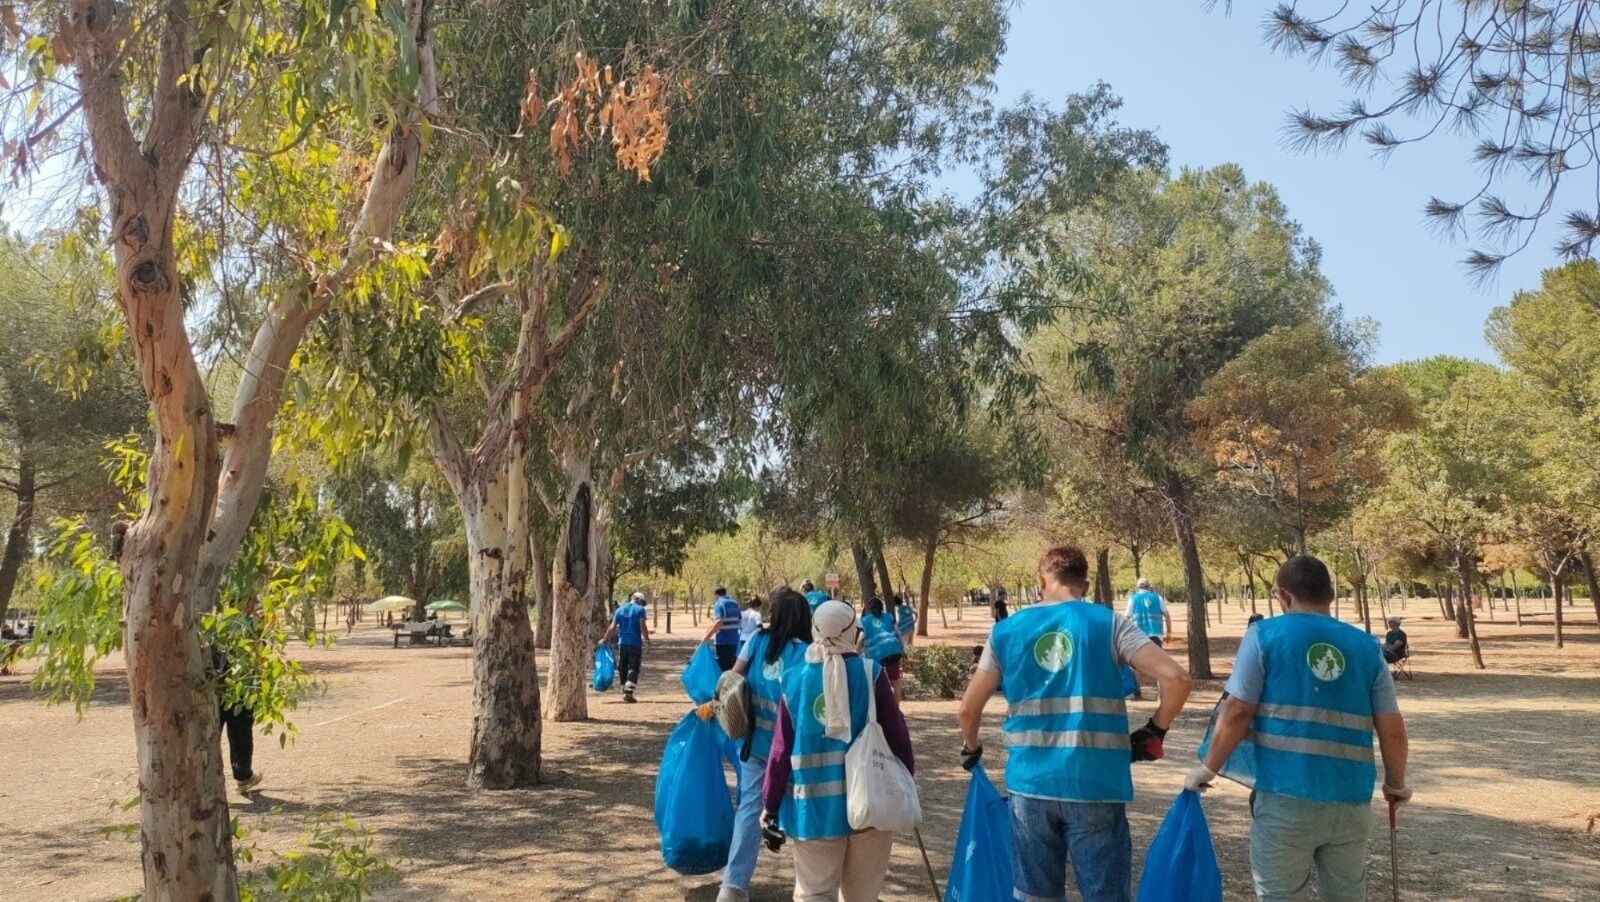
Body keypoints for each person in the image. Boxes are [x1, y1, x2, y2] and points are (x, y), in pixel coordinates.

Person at [958, 545, 1192, 902]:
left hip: (1030, 786)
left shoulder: (1005, 632)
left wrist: (971, 748)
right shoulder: (1110, 623)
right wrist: (1155, 729)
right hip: (1096, 784)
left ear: (1042, 580)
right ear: (1085, 584)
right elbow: (1176, 679)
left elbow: (968, 711)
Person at [1187, 554, 1411, 902]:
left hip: (1284, 797)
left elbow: (1237, 710)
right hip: (1350, 799)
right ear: (1331, 595)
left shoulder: (1264, 636)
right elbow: (1392, 728)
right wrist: (1396, 783)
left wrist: (1207, 768)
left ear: (1283, 596)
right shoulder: (1367, 647)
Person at [763, 601, 913, 902]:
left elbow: (780, 752)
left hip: (813, 813)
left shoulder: (794, 680)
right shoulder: (871, 674)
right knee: (862, 896)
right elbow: (898, 737)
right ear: (852, 631)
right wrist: (905, 782)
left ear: (815, 630)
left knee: (815, 894)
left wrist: (770, 805)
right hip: (870, 806)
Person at [717, 588, 813, 902]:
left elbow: (732, 678)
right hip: (794, 752)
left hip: (755, 747)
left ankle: (732, 886)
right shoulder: (806, 652)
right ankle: (812, 886)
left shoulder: (757, 641)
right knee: (802, 811)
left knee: (748, 809)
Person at [215, 601, 264, 795]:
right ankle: (243, 776)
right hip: (240, 683)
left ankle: (207, 776)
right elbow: (257, 652)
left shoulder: (213, 618)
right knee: (240, 731)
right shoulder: (250, 622)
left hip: (213, 682)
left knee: (210, 731)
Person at [601, 592, 651, 702]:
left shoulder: (620, 610)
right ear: (640, 600)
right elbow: (642, 625)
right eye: (642, 603)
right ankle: (628, 691)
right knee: (634, 666)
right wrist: (647, 640)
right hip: (635, 644)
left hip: (622, 643)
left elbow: (613, 626)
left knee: (623, 666)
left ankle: (623, 687)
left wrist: (605, 639)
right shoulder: (640, 610)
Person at [859, 596, 905, 698]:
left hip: (876, 654)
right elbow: (898, 633)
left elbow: (861, 638)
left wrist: (856, 651)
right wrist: (902, 649)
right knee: (895, 681)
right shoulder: (889, 617)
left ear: (869, 609)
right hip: (893, 650)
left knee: (875, 680)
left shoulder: (865, 620)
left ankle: (878, 707)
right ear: (882, 607)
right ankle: (896, 709)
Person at [704, 587, 744, 672]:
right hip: (734, 641)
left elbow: (719, 621)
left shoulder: (719, 603)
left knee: (722, 667)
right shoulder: (735, 603)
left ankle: (723, 685)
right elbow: (740, 620)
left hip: (723, 641)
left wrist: (708, 636)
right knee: (732, 667)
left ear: (716, 595)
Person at [1125, 577, 1172, 646]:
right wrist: (1169, 632)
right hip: (1156, 634)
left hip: (1138, 635)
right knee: (1156, 656)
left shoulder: (1133, 599)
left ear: (1137, 587)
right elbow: (1167, 615)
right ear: (1149, 586)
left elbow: (1126, 617)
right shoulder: (1157, 597)